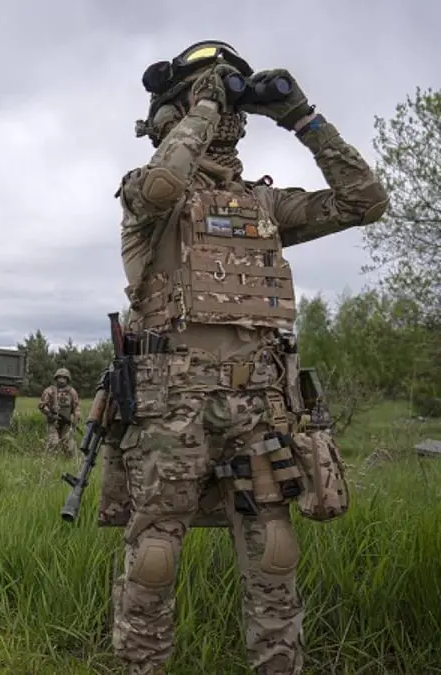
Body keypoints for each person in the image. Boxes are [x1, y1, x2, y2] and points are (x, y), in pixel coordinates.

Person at [112, 41, 387, 674]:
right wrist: (206, 102)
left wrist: (303, 118)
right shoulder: (147, 195)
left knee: (274, 551)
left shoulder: (262, 205)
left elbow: (365, 201)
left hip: (260, 404)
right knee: (154, 555)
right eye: (204, 98)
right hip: (170, 403)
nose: (223, 112)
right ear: (170, 114)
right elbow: (162, 183)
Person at [38, 367, 81, 457]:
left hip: (66, 423)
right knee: (53, 443)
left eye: (64, 378)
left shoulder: (72, 392)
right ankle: (48, 463)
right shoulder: (50, 390)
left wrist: (75, 420)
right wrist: (49, 413)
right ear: (56, 378)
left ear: (67, 379)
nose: (61, 380)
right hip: (53, 421)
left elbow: (76, 407)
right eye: (59, 377)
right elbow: (42, 404)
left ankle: (71, 464)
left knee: (70, 445)